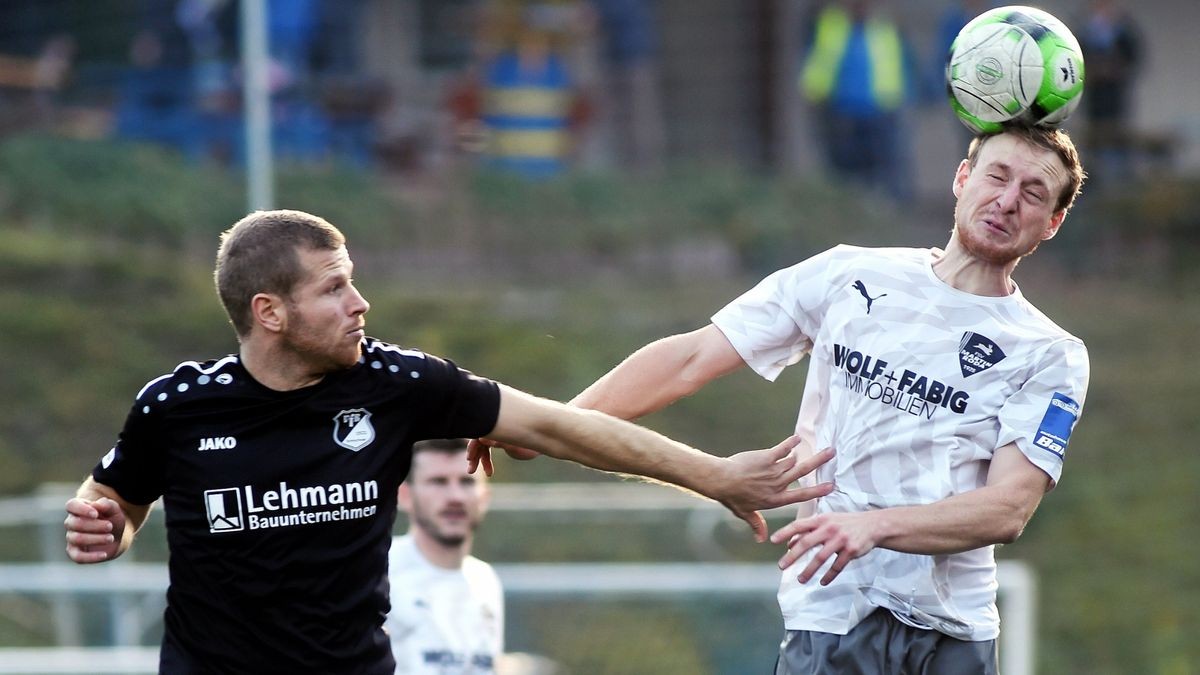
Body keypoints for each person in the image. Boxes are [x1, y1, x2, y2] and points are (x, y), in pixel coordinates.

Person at [62, 208, 833, 673]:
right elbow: (115, 500)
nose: (360, 302)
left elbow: (561, 428)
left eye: (353, 278)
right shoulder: (177, 405)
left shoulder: (397, 383)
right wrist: (101, 521)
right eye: (333, 288)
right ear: (269, 311)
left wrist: (715, 474)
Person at [477, 124, 1090, 673]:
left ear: (1053, 222)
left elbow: (1008, 509)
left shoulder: (1049, 353)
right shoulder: (850, 275)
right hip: (834, 615)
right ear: (962, 177)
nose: (1008, 201)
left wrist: (874, 526)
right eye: (997, 176)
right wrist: (551, 422)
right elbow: (691, 357)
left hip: (954, 635)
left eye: (1034, 193)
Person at [387, 439, 504, 674]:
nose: (455, 497)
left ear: (484, 497)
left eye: (467, 481)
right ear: (404, 495)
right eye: (438, 482)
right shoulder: (378, 572)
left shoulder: (486, 580)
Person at [799, 0, 919, 201]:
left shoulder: (886, 25)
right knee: (845, 171)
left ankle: (893, 212)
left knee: (887, 169)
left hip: (881, 109)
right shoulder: (830, 25)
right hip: (840, 110)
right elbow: (818, 64)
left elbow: (903, 64)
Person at [1075, 0, 1142, 186]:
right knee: (1095, 142)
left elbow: (1134, 59)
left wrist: (1114, 69)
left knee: (1116, 141)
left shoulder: (1124, 31)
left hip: (1115, 100)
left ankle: (1119, 183)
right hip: (1094, 101)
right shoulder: (1085, 32)